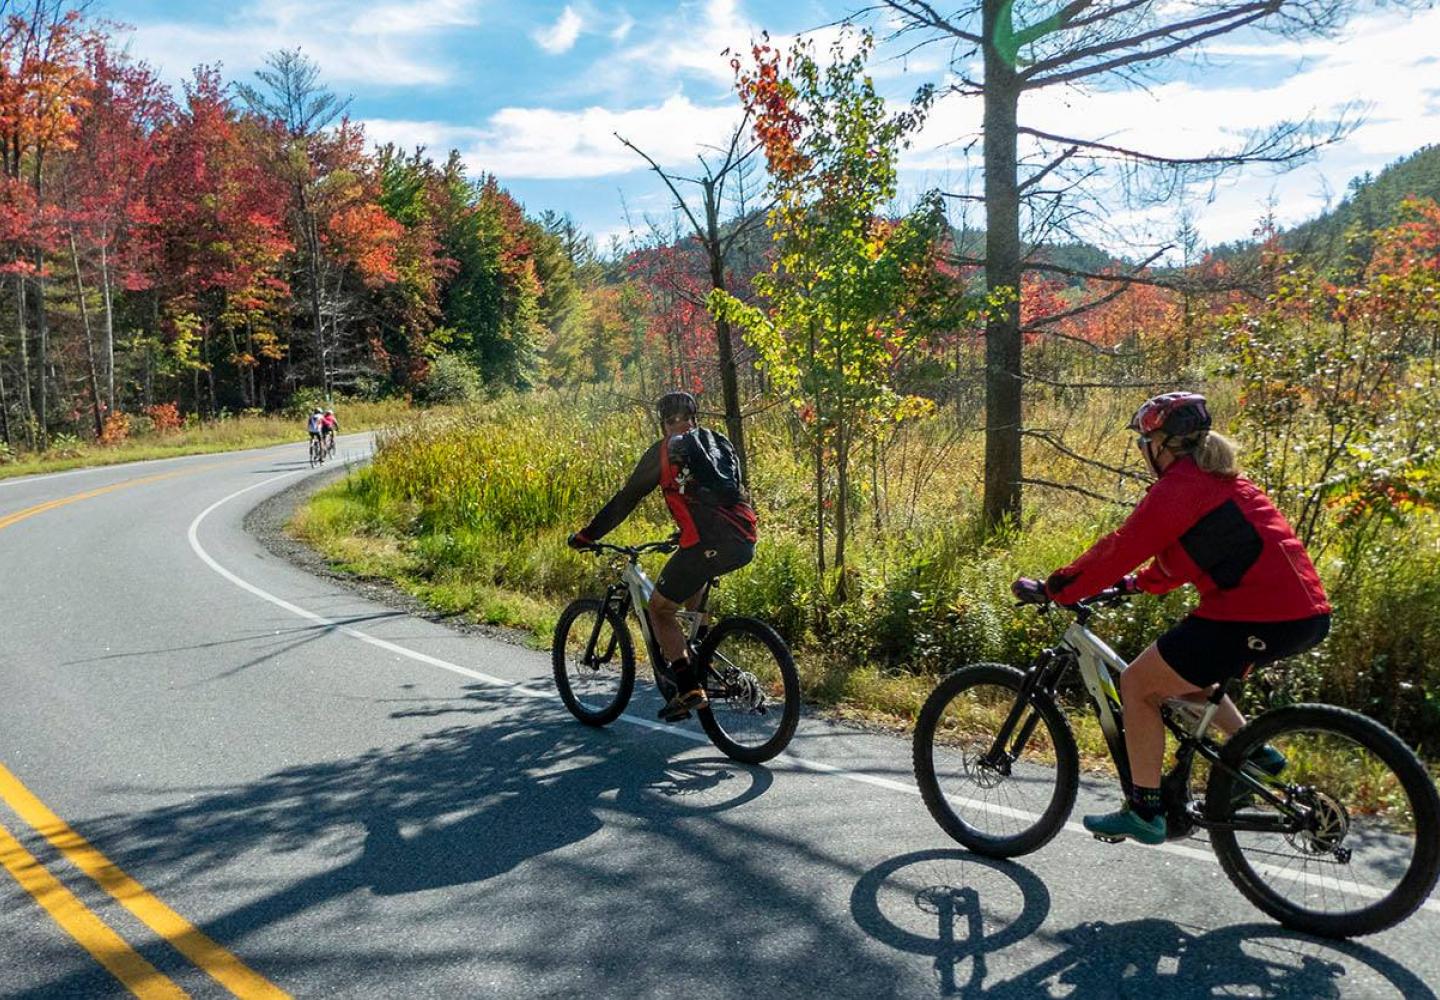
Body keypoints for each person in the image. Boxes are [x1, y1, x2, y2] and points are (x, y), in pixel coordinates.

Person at [1011, 391, 1331, 845]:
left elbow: (1124, 544)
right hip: (1297, 614)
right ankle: (1254, 753)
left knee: (1138, 685)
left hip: (1257, 614)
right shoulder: (1217, 481)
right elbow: (1177, 561)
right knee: (1186, 679)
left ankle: (1145, 810)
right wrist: (1131, 586)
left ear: (1162, 444)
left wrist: (1059, 588)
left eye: (1145, 442)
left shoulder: (1183, 485)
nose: (1143, 452)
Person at [569, 391, 757, 721]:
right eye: (676, 421)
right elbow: (719, 497)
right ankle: (702, 658)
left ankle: (687, 687)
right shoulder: (715, 444)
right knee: (692, 590)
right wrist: (684, 533)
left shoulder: (666, 452)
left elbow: (625, 500)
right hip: (742, 540)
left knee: (659, 609)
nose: (679, 426)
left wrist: (588, 536)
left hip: (705, 543)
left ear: (664, 425)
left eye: (678, 420)